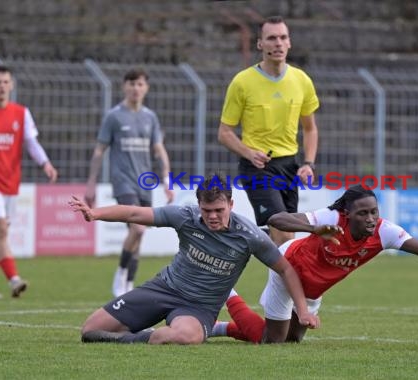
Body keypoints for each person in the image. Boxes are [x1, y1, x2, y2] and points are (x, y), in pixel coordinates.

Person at [69, 174, 320, 345]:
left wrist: (303, 310)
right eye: (206, 210)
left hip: (199, 308)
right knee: (90, 330)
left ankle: (144, 337)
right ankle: (149, 335)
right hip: (163, 288)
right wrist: (95, 213)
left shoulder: (250, 236)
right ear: (198, 205)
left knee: (182, 337)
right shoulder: (185, 216)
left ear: (231, 204)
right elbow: (135, 212)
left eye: (219, 210)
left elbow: (286, 269)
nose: (212, 216)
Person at [211, 185, 418, 343]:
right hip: (289, 267)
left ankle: (222, 326)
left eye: (374, 212)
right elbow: (278, 219)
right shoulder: (332, 218)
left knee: (293, 340)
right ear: (348, 214)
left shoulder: (384, 232)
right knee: (272, 341)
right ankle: (228, 296)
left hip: (314, 288)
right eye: (363, 213)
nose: (371, 218)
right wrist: (314, 229)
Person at [217, 15, 320, 247]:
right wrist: (248, 152)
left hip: (289, 167)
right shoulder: (243, 82)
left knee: (285, 241)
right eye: (271, 38)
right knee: (283, 231)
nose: (278, 43)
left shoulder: (301, 80)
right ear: (260, 44)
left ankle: (245, 243)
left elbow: (310, 129)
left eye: (283, 37)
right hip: (257, 167)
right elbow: (224, 132)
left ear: (289, 42)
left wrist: (309, 163)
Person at [84, 68, 174, 297]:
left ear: (146, 88)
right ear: (124, 86)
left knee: (139, 236)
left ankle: (128, 284)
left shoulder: (150, 117)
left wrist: (166, 179)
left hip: (145, 182)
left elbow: (159, 149)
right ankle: (121, 273)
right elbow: (99, 150)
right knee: (138, 228)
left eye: (140, 84)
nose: (136, 88)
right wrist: (91, 182)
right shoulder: (114, 116)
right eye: (132, 83)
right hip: (123, 182)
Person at [0, 65, 58, 299]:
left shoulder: (21, 113)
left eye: (5, 82)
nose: (1, 86)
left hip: (10, 182)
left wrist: (46, 163)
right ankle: (14, 279)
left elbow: (31, 143)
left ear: (12, 85)